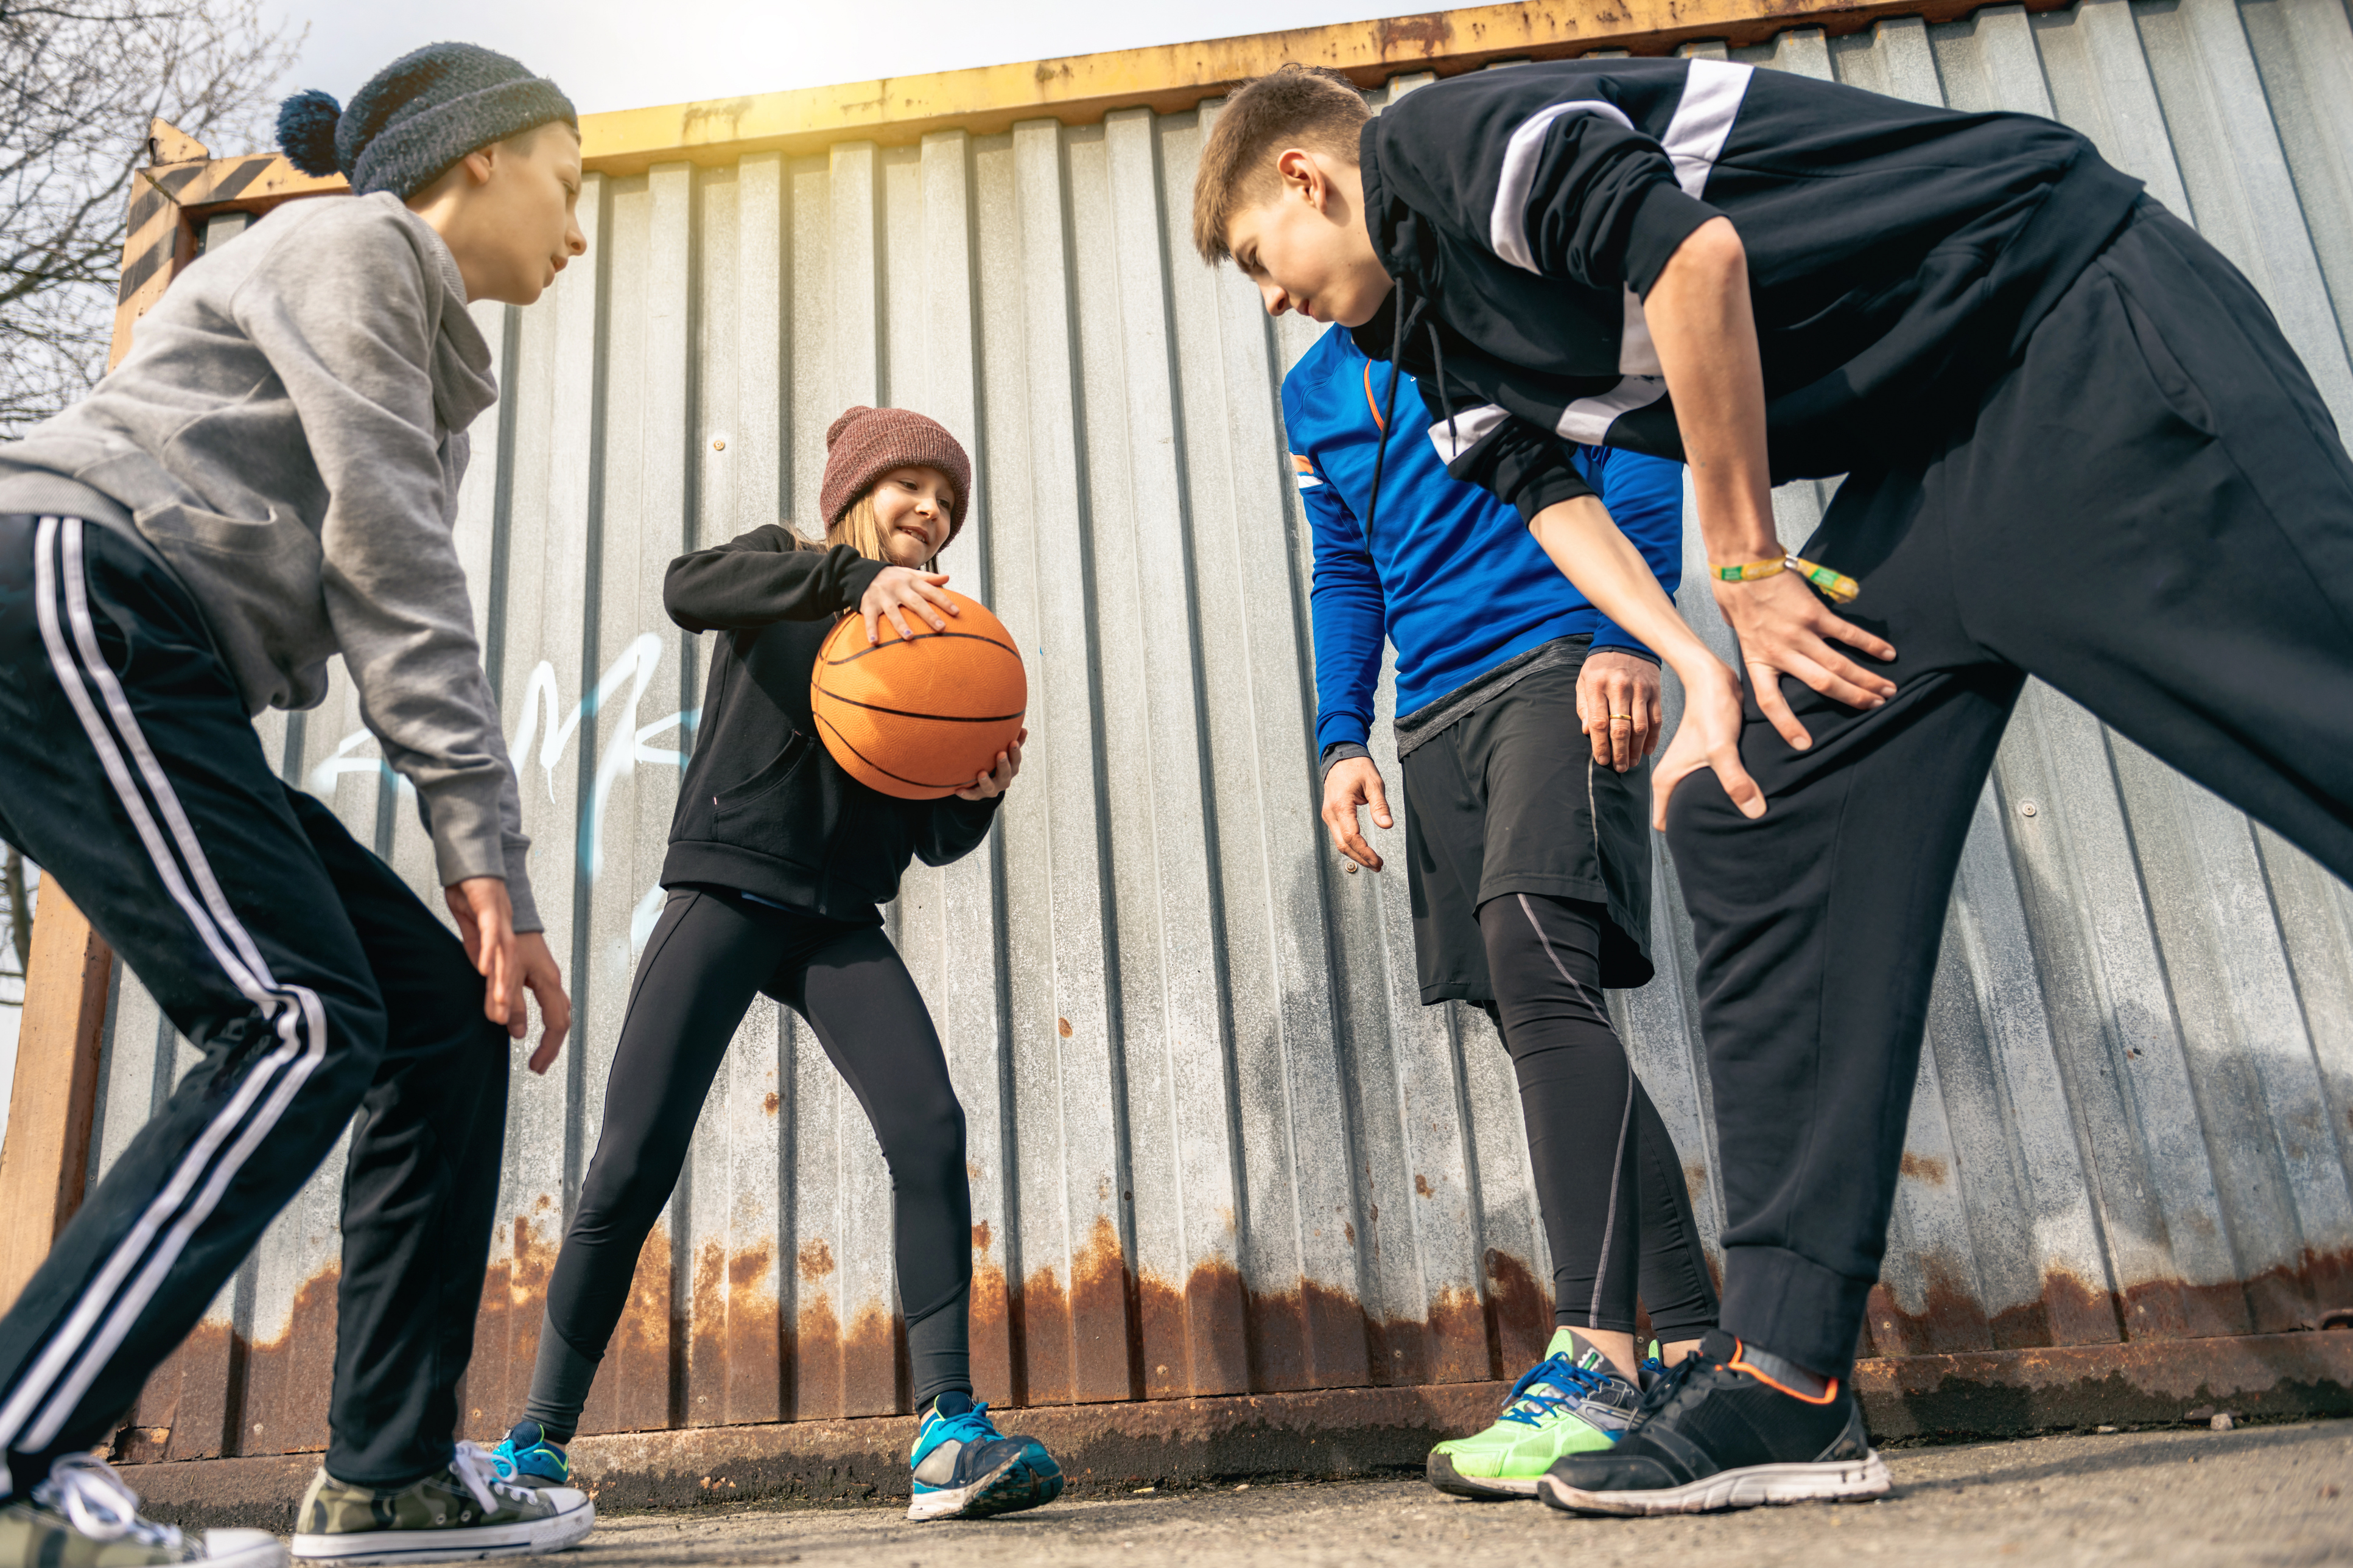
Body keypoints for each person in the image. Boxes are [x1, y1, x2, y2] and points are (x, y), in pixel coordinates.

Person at [1193, 58, 2353, 1516]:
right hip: (1934, 463)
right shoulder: (1433, 348)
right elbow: (1555, 502)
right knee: (1753, 803)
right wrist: (1700, 667)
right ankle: (1791, 1380)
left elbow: (1690, 252)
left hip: (2073, 324)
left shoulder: (1433, 142)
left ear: (1307, 180)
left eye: (1257, 258)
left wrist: (1744, 563)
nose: (1272, 296)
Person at [0, 43, 594, 1567]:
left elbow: (371, 570)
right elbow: (395, 566)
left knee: (429, 1016)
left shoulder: (407, 330)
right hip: (74, 587)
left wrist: (482, 890)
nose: (580, 232)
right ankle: (16, 1457)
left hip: (158, 651)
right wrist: (496, 870)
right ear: (478, 157)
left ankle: (389, 1469)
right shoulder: (356, 243)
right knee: (302, 1017)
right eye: (568, 186)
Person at [485, 406, 1064, 1523]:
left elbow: (930, 835)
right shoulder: (782, 569)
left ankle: (950, 1433)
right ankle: (536, 1443)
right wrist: (844, 582)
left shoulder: (946, 636)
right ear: (854, 495)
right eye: (910, 486)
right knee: (633, 1161)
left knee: (929, 1129)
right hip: (724, 892)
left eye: (947, 500)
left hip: (837, 919)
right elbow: (684, 586)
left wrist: (976, 799)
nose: (932, 511)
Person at [1289, 319, 1719, 1498]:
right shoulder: (1311, 391)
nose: (1272, 288)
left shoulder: (1488, 310)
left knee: (1542, 976)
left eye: (1264, 253)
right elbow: (1343, 563)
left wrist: (1631, 637)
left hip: (1558, 662)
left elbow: (1638, 443)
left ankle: (1592, 1361)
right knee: (1532, 1006)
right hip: (1431, 716)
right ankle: (1689, 1348)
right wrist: (1339, 736)